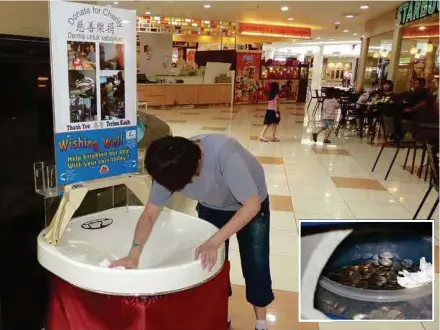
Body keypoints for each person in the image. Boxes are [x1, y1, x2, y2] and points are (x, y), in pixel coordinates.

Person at [111, 134, 274, 330]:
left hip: (250, 202)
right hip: (212, 205)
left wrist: (214, 241)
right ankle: (222, 314)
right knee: (212, 266)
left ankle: (261, 322)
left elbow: (252, 205)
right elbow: (150, 214)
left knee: (256, 261)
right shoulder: (169, 166)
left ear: (197, 164)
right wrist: (133, 254)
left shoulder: (225, 154)